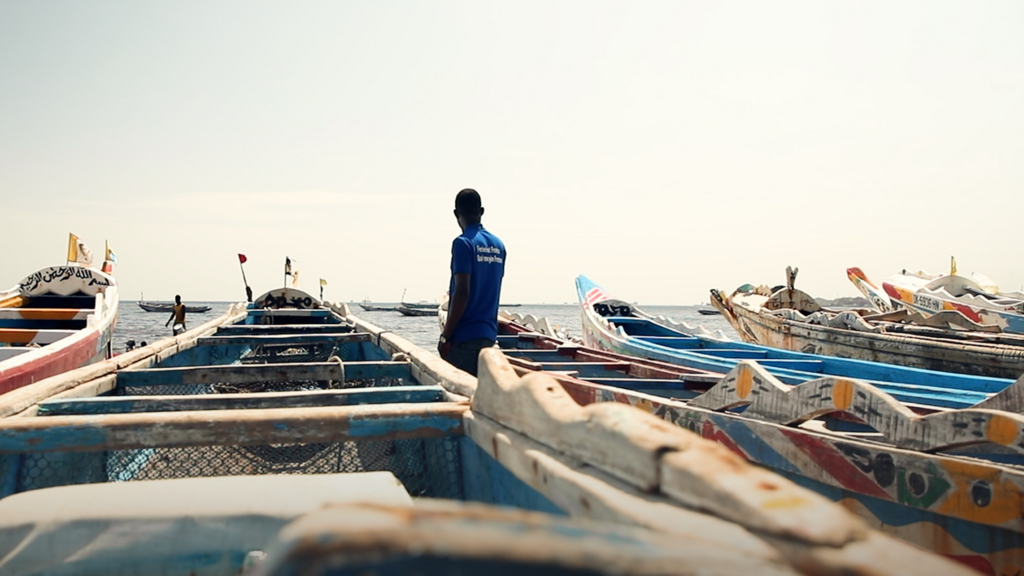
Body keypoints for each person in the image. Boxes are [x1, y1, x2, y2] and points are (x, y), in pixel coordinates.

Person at [438, 189, 506, 376]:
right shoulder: (498, 245)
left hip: (463, 338)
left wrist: (446, 336)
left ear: (455, 214)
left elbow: (462, 292)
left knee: (461, 396)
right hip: (488, 337)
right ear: (481, 211)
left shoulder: (463, 243)